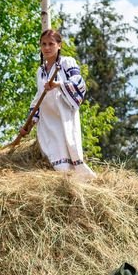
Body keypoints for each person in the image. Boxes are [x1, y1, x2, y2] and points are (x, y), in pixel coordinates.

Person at [20, 29, 96, 179]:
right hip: (47, 120)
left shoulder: (67, 63)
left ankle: (72, 181)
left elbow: (79, 83)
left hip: (63, 118)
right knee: (49, 152)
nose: (47, 48)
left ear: (59, 45)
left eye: (51, 44)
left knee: (67, 149)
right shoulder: (40, 71)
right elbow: (38, 97)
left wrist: (58, 84)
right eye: (44, 44)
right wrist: (29, 123)